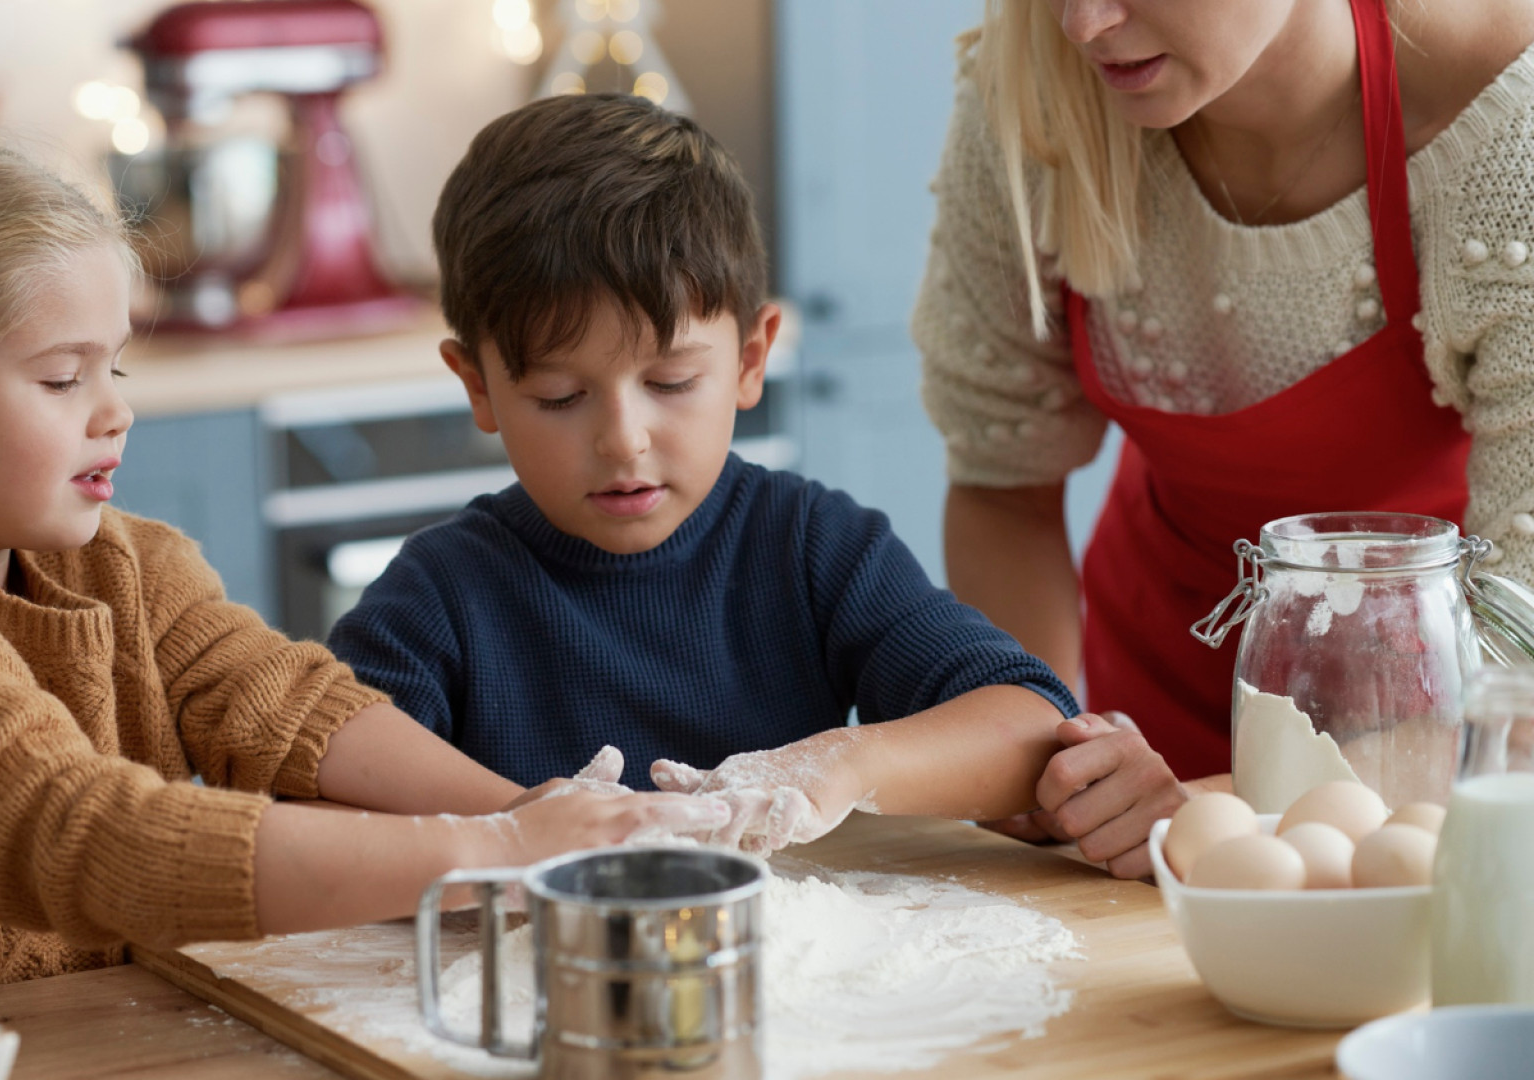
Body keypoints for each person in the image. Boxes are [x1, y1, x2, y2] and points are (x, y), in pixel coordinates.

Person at [0, 135, 727, 986]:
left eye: (117, 365)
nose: (117, 410)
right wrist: (493, 858)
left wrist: (515, 811)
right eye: (63, 379)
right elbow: (92, 837)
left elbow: (280, 703)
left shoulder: (127, 565)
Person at [328, 92, 1114, 859]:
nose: (623, 441)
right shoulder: (441, 594)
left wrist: (837, 767)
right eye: (559, 397)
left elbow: (1032, 725)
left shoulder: (810, 546)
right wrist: (513, 823)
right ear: (478, 387)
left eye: (670, 383)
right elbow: (317, 780)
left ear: (750, 359)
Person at [915, 0, 1534, 860]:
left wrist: (1195, 808)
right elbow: (1003, 486)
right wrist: (1043, 739)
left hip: (1426, 734)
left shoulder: (1504, 123)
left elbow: (1519, 668)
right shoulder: (1033, 94)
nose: (1083, 24)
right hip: (1145, 695)